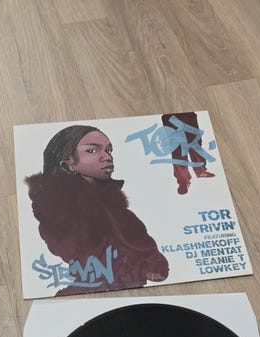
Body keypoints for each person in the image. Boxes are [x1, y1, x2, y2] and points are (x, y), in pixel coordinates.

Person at [26, 125, 169, 295]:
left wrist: (147, 262)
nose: (107, 156)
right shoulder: (58, 210)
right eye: (92, 150)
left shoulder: (114, 207)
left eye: (109, 150)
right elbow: (79, 256)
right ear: (69, 163)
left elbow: (152, 260)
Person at [161, 112, 215, 195]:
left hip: (184, 115)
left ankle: (198, 170)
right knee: (179, 147)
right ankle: (185, 179)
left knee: (192, 142)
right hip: (172, 116)